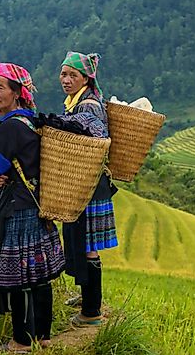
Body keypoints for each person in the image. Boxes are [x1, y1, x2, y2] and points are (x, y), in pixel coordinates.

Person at [0, 62, 65, 352]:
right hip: (37, 206)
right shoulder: (30, 121)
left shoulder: (9, 128)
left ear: (17, 93)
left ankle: (20, 341)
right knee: (39, 276)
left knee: (17, 278)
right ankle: (43, 336)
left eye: (0, 88)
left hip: (18, 210)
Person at [58, 51, 118, 327]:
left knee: (88, 246)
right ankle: (86, 296)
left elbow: (94, 144)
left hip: (90, 186)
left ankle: (91, 312)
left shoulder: (88, 106)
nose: (66, 80)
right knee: (82, 242)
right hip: (86, 183)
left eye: (73, 75)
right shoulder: (75, 102)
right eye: (63, 74)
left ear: (86, 79)